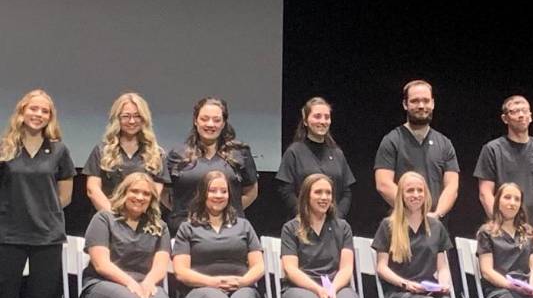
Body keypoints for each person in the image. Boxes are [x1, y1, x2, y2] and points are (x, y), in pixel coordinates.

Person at [0, 89, 76, 298]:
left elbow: (65, 196)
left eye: (44, 111)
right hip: (9, 235)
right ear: (22, 111)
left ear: (50, 117)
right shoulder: (5, 147)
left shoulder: (59, 150)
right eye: (34, 109)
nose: (38, 115)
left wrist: (44, 213)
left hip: (47, 236)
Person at [80, 172, 172, 298]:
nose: (140, 197)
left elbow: (161, 264)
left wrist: (147, 283)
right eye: (135, 191)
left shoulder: (160, 227)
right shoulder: (104, 219)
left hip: (143, 283)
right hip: (101, 284)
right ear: (123, 192)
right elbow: (101, 263)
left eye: (146, 194)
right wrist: (131, 283)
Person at [173, 170, 264, 298]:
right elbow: (181, 272)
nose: (218, 195)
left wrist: (242, 283)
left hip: (240, 285)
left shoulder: (244, 225)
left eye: (223, 191)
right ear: (203, 193)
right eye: (213, 190)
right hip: (200, 289)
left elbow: (258, 266)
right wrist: (213, 282)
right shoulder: (188, 228)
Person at [372, 171, 456, 298]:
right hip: (398, 291)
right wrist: (405, 284)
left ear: (426, 194)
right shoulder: (389, 225)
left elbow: (442, 266)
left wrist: (444, 283)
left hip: (427, 289)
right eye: (410, 190)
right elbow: (381, 267)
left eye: (420, 190)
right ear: (401, 194)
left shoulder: (435, 226)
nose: (416, 194)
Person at [280, 173, 363, 298]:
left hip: (335, 285)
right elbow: (291, 269)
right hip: (300, 286)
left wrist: (332, 289)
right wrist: (318, 289)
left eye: (328, 193)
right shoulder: (291, 228)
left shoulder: (342, 227)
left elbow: (346, 268)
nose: (324, 197)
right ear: (306, 195)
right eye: (318, 192)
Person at [474, 94, 533, 240]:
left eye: (524, 110)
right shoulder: (492, 149)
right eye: (514, 111)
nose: (521, 115)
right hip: (503, 235)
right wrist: (504, 227)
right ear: (505, 118)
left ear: (531, 116)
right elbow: (485, 193)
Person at [164, 97, 259, 235]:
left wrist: (223, 212)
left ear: (224, 123)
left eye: (216, 120)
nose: (210, 124)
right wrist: (181, 210)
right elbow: (163, 192)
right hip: (185, 230)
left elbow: (251, 192)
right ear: (195, 120)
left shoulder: (240, 153)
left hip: (229, 230)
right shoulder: (177, 154)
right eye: (204, 118)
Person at [374, 80, 459, 219]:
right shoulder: (392, 140)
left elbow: (452, 186)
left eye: (426, 101)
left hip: (436, 224)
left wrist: (436, 214)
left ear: (433, 103)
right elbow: (383, 184)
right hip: (401, 224)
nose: (421, 106)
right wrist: (413, 212)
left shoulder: (445, 144)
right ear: (405, 104)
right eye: (415, 101)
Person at [84, 91, 169, 211]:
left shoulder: (156, 154)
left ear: (144, 118)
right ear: (117, 118)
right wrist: (114, 218)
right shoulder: (102, 151)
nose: (132, 121)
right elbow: (93, 189)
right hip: (108, 219)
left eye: (137, 116)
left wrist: (135, 216)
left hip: (142, 221)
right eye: (126, 116)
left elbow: (156, 192)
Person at [276, 97, 355, 218]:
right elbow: (286, 190)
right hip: (301, 224)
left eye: (327, 117)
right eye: (317, 116)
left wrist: (337, 218)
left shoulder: (337, 154)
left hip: (334, 226)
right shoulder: (294, 152)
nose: (323, 121)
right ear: (305, 121)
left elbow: (346, 192)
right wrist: (305, 216)